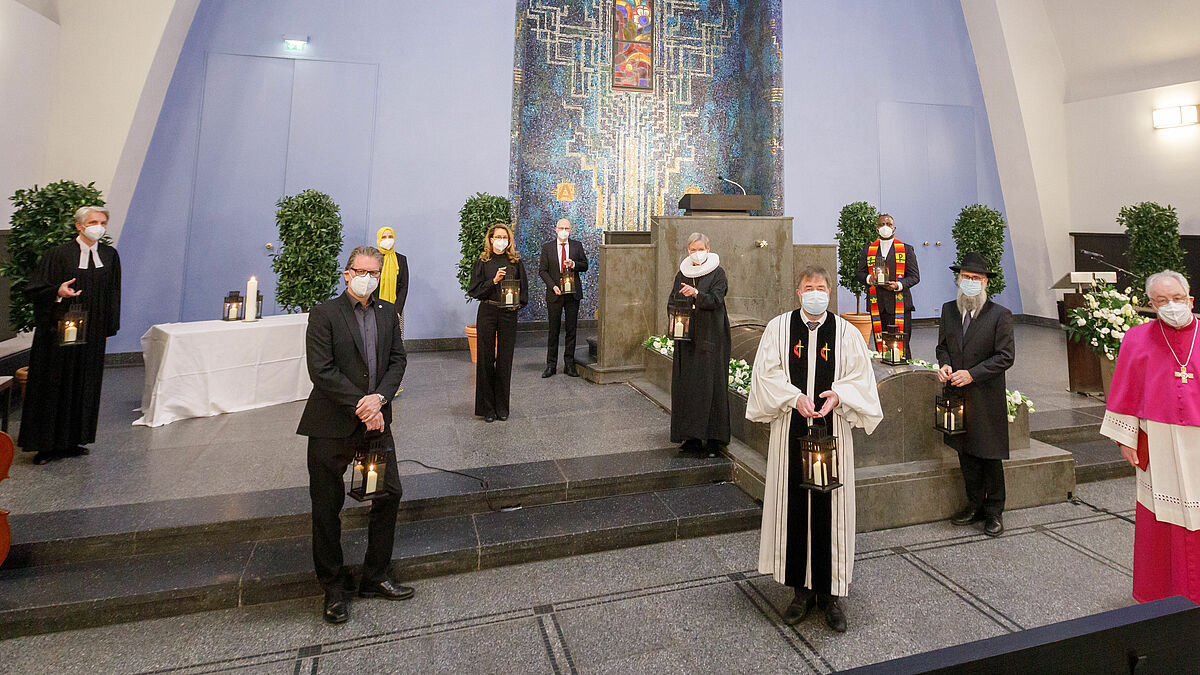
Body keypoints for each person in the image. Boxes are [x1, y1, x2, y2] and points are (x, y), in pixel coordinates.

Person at [747, 266, 883, 633]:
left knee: (831, 510)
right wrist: (793, 397)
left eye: (821, 288)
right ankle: (800, 592)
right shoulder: (778, 328)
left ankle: (831, 595)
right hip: (791, 429)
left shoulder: (847, 333)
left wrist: (839, 394)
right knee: (794, 507)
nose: (815, 293)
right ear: (798, 292)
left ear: (830, 292)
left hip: (831, 429)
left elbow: (861, 378)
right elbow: (765, 374)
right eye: (809, 287)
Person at [297, 246, 410, 624]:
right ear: (347, 274)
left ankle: (375, 575)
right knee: (327, 506)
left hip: (374, 426)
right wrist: (361, 404)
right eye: (361, 271)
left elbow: (398, 360)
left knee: (386, 493)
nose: (368, 278)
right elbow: (321, 369)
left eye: (374, 273)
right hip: (332, 425)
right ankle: (333, 587)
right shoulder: (325, 313)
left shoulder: (388, 312)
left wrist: (378, 400)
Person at [1100, 269, 1200, 604]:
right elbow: (1124, 391)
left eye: (1176, 299)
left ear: (1190, 300)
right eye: (1161, 301)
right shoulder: (1137, 338)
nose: (1170, 306)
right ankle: (1163, 594)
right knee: (1161, 521)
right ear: (1151, 306)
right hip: (1157, 441)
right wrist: (1125, 439)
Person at [19, 206, 121, 465]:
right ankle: (46, 445)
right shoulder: (58, 255)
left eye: (102, 222)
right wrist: (57, 292)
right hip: (59, 332)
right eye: (92, 221)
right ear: (79, 226)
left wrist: (109, 328)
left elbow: (113, 294)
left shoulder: (110, 255)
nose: (98, 226)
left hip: (92, 333)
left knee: (84, 384)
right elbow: (33, 289)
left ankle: (74, 440)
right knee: (54, 383)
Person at [936, 252, 1015, 537]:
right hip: (957, 397)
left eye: (977, 279)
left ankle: (994, 510)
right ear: (958, 279)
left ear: (985, 283)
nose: (971, 282)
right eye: (966, 278)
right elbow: (942, 346)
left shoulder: (999, 315)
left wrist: (973, 373)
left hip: (985, 396)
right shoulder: (949, 310)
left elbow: (1005, 357)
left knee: (988, 455)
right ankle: (974, 505)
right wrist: (944, 365)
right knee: (965, 453)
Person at [669, 232, 730, 456]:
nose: (696, 253)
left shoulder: (718, 273)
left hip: (711, 337)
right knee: (688, 387)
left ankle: (714, 440)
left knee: (711, 386)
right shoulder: (682, 273)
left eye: (700, 249)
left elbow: (716, 299)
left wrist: (696, 294)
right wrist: (677, 311)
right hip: (688, 340)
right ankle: (691, 437)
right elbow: (672, 299)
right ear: (688, 251)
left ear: (708, 248)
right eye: (692, 250)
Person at [468, 223, 528, 422]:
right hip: (487, 310)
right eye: (498, 237)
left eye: (505, 237)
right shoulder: (483, 262)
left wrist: (517, 304)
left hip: (508, 314)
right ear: (491, 239)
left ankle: (502, 407)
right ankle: (487, 408)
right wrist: (493, 281)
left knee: (505, 359)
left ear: (509, 240)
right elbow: (474, 290)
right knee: (485, 359)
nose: (501, 240)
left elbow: (524, 290)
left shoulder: (515, 262)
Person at [856, 213, 920, 354]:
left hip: (900, 304)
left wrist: (898, 285)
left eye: (889, 224)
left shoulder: (906, 249)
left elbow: (915, 276)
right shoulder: (868, 249)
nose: (885, 227)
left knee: (901, 345)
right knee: (881, 345)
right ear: (877, 228)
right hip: (877, 303)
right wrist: (869, 279)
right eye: (882, 224)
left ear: (894, 228)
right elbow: (859, 273)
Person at [538, 218, 589, 378]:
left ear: (570, 229)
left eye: (567, 228)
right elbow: (542, 271)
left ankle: (569, 364)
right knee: (553, 330)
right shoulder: (547, 248)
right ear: (555, 229)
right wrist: (553, 286)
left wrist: (573, 264)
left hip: (572, 294)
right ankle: (551, 365)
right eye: (561, 227)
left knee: (571, 330)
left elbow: (585, 265)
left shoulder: (577, 246)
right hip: (555, 294)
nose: (564, 230)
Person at [375, 227, 409, 337]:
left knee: (396, 337)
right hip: (374, 305)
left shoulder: (401, 259)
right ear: (379, 239)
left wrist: (397, 309)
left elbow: (404, 286)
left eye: (390, 237)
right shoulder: (373, 258)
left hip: (395, 306)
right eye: (384, 237)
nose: (387, 240)